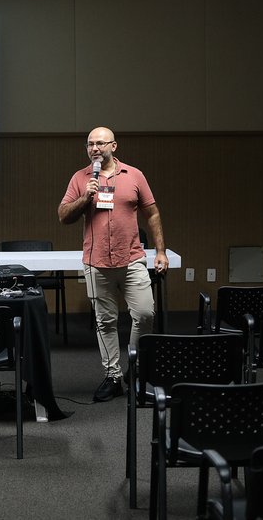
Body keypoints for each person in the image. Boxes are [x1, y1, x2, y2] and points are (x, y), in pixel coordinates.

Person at [58, 126, 168, 402]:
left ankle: (135, 366)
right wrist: (85, 198)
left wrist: (161, 252)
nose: (94, 148)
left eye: (100, 143)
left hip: (132, 259)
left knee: (145, 314)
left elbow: (153, 214)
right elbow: (63, 216)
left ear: (113, 146)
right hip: (96, 263)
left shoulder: (134, 175)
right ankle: (113, 376)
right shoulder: (80, 178)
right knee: (105, 322)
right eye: (90, 144)